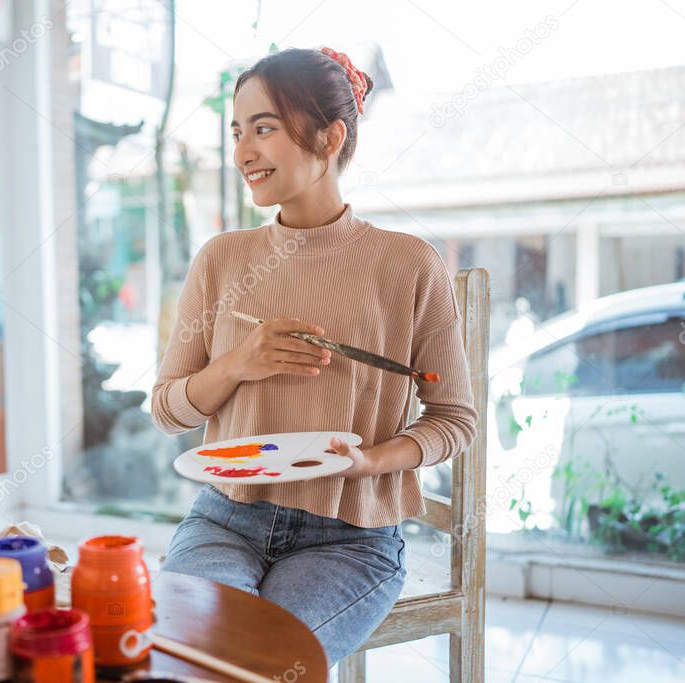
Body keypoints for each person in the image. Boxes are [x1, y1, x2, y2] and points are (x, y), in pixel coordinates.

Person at [150, 46, 477, 668]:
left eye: (264, 128)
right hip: (225, 519)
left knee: (259, 664)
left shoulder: (409, 264)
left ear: (330, 137)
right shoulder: (221, 259)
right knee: (190, 659)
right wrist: (237, 364)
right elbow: (168, 410)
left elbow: (454, 419)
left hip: (350, 538)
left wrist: (372, 461)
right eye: (237, 131)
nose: (243, 150)